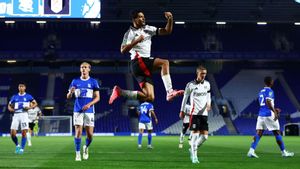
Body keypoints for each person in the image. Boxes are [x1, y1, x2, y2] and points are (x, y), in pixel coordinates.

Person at [109, 10, 184, 104]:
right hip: (139, 61)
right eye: (140, 17)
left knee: (150, 97)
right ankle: (169, 91)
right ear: (134, 19)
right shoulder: (129, 33)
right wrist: (136, 40)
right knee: (164, 62)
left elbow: (166, 31)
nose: (143, 18)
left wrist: (170, 19)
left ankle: (120, 92)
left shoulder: (148, 28)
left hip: (141, 67)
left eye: (143, 16)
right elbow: (123, 50)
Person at [247, 76, 294, 158]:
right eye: (272, 81)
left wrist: (274, 108)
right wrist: (275, 112)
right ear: (271, 82)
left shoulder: (260, 92)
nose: (273, 82)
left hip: (261, 115)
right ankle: (284, 152)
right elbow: (268, 102)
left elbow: (263, 104)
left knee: (259, 133)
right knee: (277, 132)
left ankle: (251, 151)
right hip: (269, 115)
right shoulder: (270, 91)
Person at [67, 62, 100, 161]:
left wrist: (89, 104)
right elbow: (68, 97)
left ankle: (85, 147)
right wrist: (70, 92)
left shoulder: (93, 82)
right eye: (82, 67)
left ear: (89, 69)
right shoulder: (75, 81)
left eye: (85, 67)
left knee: (90, 135)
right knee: (78, 132)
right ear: (80, 69)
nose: (83, 69)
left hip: (89, 110)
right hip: (77, 110)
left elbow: (98, 97)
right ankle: (77, 154)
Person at [180, 65, 211, 164]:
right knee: (195, 135)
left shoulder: (207, 84)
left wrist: (209, 104)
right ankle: (194, 157)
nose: (203, 76)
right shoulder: (190, 85)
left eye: (205, 74)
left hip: (204, 114)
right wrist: (182, 111)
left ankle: (192, 149)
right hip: (194, 114)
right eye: (202, 74)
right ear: (197, 73)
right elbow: (185, 98)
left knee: (205, 137)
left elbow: (208, 96)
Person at [8, 82, 37, 154]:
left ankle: (22, 149)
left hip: (24, 115)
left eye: (22, 86)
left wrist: (30, 107)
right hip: (16, 115)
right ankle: (17, 145)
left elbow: (35, 103)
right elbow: (9, 105)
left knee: (24, 132)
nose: (21, 88)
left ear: (25, 88)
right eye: (19, 86)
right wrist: (10, 109)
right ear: (18, 88)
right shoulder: (14, 96)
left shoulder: (28, 96)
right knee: (12, 133)